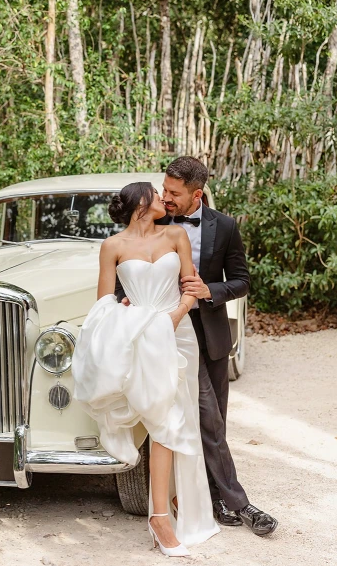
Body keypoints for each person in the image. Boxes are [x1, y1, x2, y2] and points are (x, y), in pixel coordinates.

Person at [118, 156, 278, 537]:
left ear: (197, 194)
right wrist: (128, 300)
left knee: (214, 423)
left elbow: (241, 281)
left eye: (174, 193)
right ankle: (238, 504)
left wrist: (211, 290)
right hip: (164, 337)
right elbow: (130, 268)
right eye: (164, 190)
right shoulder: (154, 220)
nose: (165, 198)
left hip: (209, 337)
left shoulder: (224, 226)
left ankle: (216, 498)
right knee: (194, 420)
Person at [72, 182, 220, 557]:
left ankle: (170, 502)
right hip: (139, 334)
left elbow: (190, 286)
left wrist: (175, 315)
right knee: (163, 418)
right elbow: (104, 301)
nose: (163, 199)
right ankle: (159, 517)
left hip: (177, 330)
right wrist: (127, 317)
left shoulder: (176, 234)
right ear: (140, 202)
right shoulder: (114, 246)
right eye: (156, 194)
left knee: (176, 417)